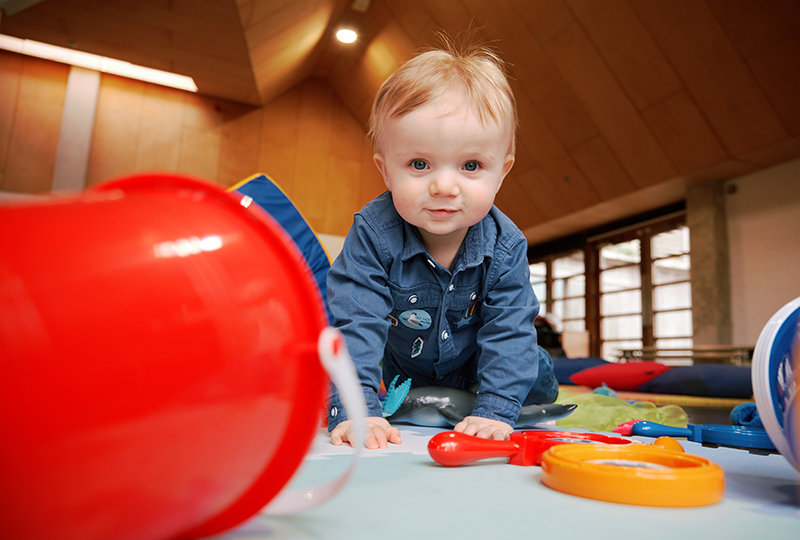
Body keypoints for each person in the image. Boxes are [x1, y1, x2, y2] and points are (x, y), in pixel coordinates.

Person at [326, 39, 558, 449]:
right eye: (419, 164)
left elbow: (507, 329)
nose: (444, 186)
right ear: (386, 170)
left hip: (480, 364)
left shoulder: (506, 245)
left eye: (471, 166)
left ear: (501, 172)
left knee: (530, 370)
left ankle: (513, 386)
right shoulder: (372, 234)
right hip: (407, 369)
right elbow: (356, 322)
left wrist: (496, 410)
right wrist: (356, 409)